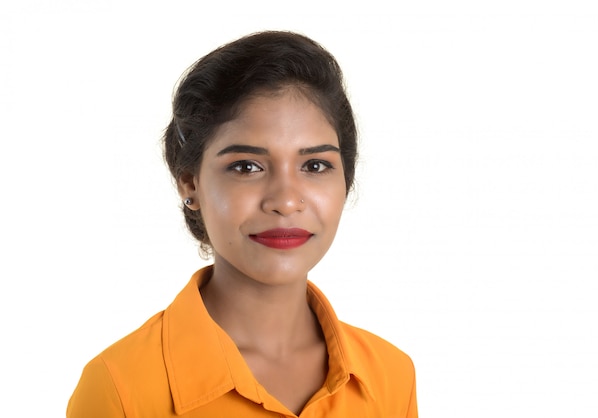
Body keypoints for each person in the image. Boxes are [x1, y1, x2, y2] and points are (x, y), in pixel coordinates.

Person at [67, 30, 418, 417]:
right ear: (191, 183)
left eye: (315, 166)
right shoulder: (120, 387)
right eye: (246, 166)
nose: (285, 201)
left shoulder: (390, 376)